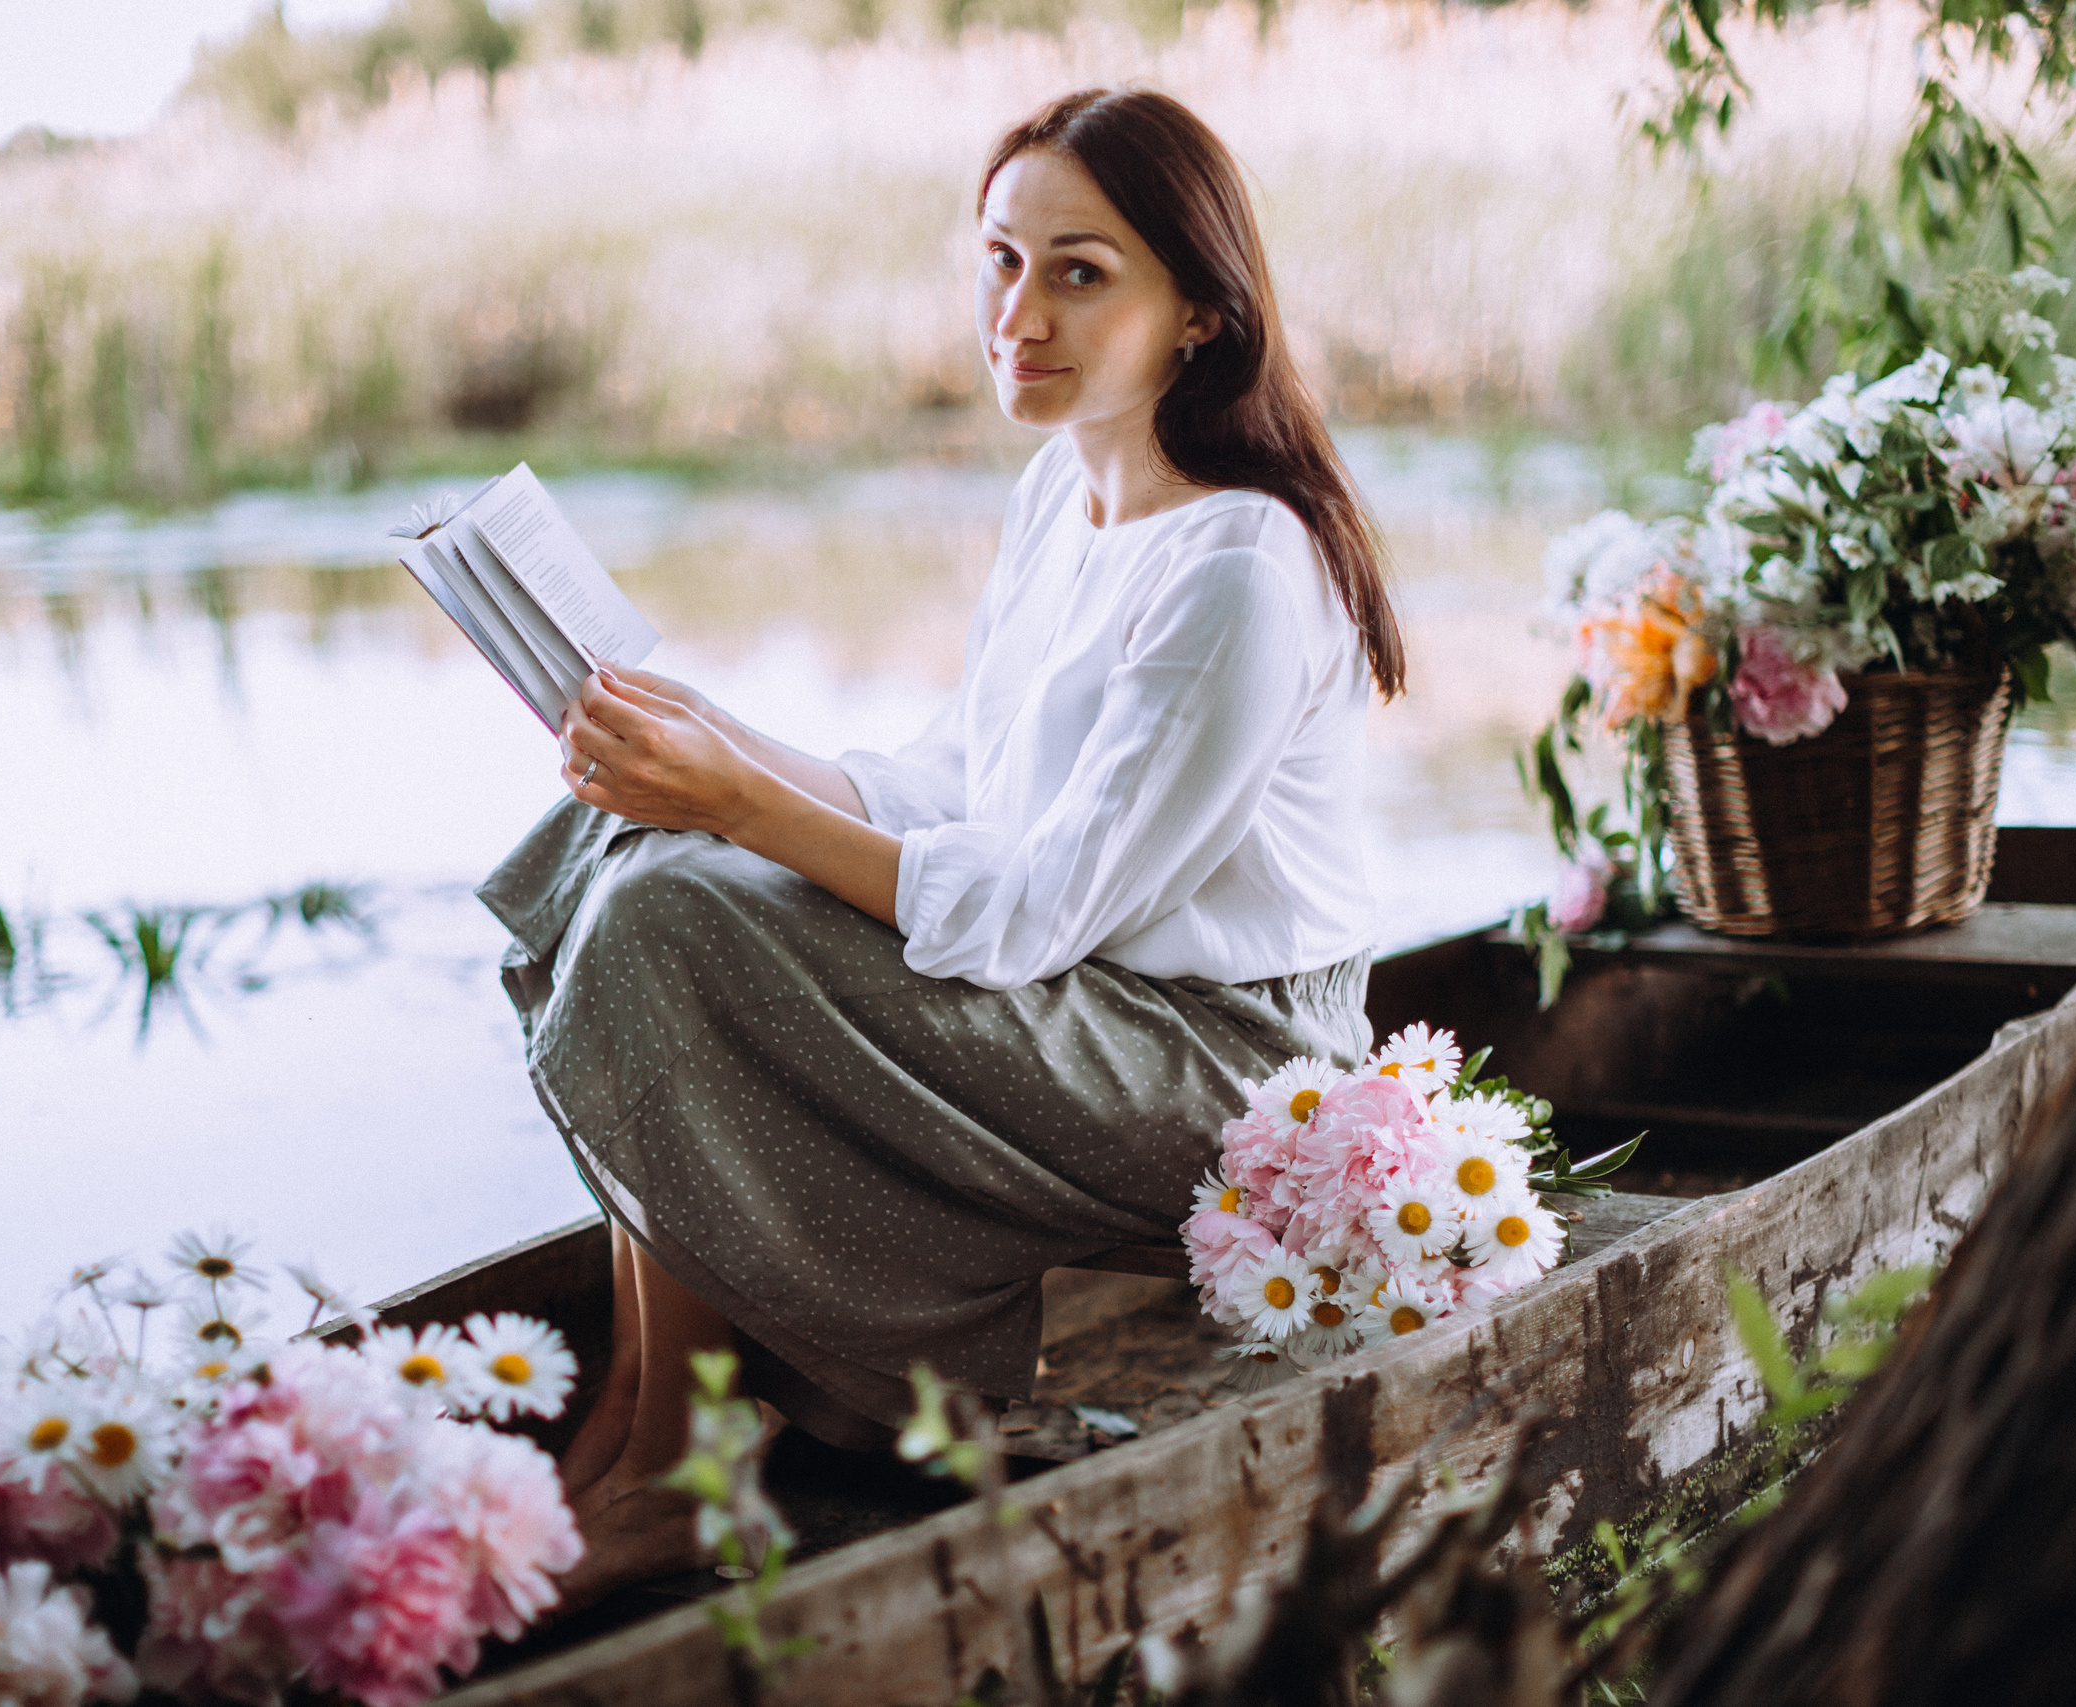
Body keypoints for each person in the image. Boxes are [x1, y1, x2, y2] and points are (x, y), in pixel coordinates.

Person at [475, 85, 1405, 1604]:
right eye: (999, 260)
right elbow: (951, 791)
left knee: (682, 912)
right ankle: (649, 1422)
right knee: (618, 857)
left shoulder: (1240, 570)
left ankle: (677, 1470)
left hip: (1225, 1069)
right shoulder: (1064, 496)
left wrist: (737, 806)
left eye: (1080, 272)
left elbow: (1034, 911)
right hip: (1087, 1000)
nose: (1017, 312)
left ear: (1199, 316)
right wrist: (708, 746)